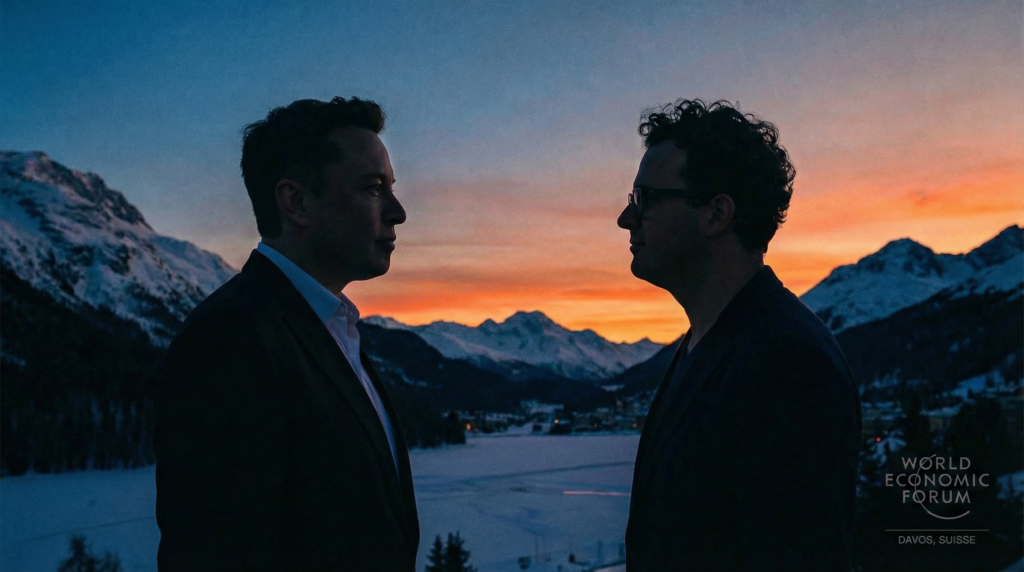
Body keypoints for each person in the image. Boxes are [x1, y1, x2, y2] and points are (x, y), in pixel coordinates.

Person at [155, 97, 418, 571]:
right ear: (296, 202)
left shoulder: (328, 328)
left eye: (391, 189)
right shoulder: (230, 339)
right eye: (374, 188)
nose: (397, 212)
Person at [617, 99, 861, 571]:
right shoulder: (708, 344)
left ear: (716, 214)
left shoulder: (788, 365)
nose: (626, 219)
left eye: (644, 199)